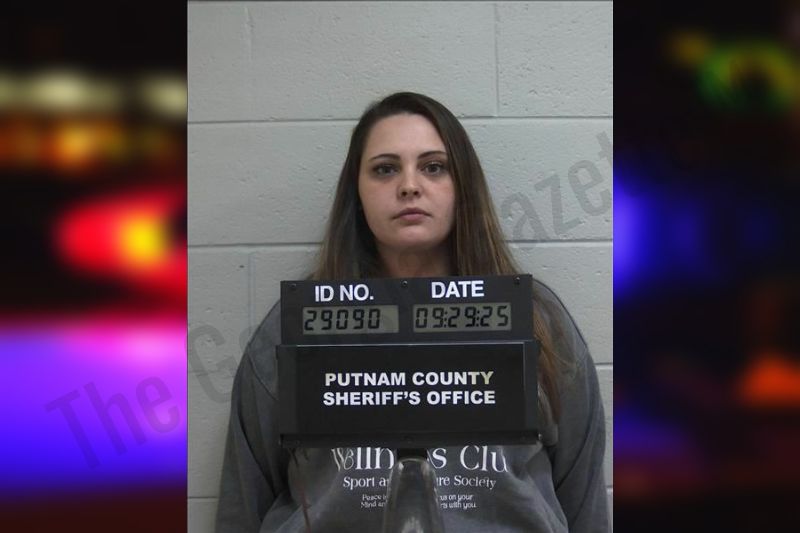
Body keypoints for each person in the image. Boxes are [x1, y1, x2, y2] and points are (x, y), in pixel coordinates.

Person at [215, 92, 609, 532]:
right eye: (385, 169)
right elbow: (242, 506)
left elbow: (586, 503)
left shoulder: (538, 321)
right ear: (356, 192)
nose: (409, 186)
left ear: (463, 186)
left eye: (433, 167)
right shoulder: (296, 326)